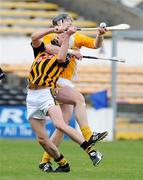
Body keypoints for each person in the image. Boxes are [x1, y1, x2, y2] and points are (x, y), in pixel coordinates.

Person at [27, 25, 103, 173]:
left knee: (60, 125)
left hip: (45, 94)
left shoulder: (66, 57)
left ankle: (92, 152)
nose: (59, 36)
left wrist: (67, 36)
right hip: (31, 96)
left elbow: (61, 56)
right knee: (42, 140)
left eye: (62, 37)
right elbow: (34, 37)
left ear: (66, 42)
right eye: (59, 35)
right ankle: (63, 164)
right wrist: (52, 29)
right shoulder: (41, 50)